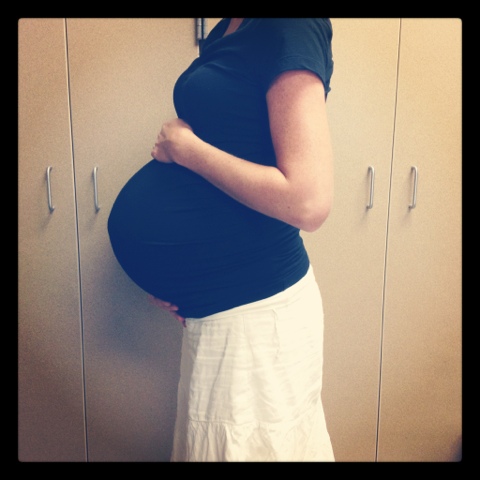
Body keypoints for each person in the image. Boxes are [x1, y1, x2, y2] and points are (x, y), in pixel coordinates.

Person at [108, 17, 335, 461]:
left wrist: (185, 149)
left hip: (256, 313)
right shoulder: (229, 25)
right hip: (221, 307)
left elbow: (308, 202)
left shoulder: (291, 26)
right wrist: (179, 273)